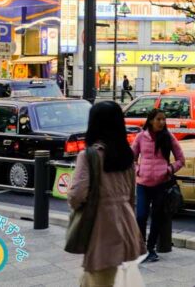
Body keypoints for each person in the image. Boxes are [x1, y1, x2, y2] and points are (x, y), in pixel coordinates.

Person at [68, 101, 145, 286]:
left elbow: (76, 195)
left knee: (98, 278)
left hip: (101, 225)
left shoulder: (89, 156)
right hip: (125, 224)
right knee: (94, 279)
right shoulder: (126, 154)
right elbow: (131, 194)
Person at [132, 108, 185, 263]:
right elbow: (131, 157)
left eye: (164, 119)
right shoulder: (141, 137)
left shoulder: (168, 137)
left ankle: (150, 248)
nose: (162, 122)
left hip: (161, 185)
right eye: (158, 119)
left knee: (156, 217)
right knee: (141, 216)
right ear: (150, 121)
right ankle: (140, 248)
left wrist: (169, 170)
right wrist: (138, 169)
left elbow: (181, 159)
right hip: (142, 184)